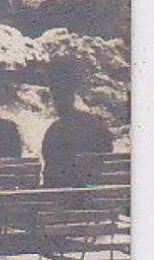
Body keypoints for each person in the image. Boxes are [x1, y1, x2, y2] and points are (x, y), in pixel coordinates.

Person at [40, 61, 114, 189]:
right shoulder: (97, 127)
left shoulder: (54, 132)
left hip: (60, 204)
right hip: (95, 201)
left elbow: (50, 176)